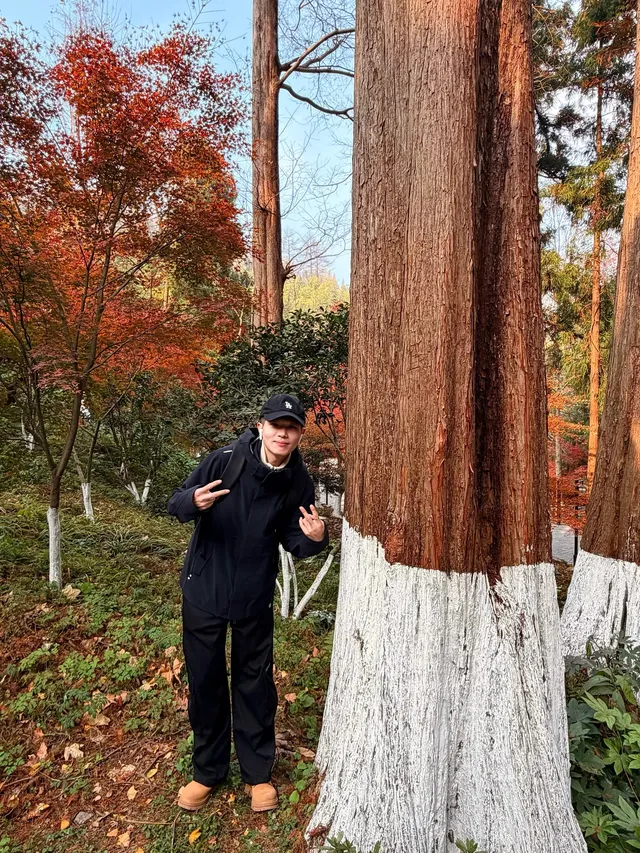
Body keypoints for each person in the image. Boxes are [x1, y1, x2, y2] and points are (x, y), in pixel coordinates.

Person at [167, 393, 329, 813]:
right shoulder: (223, 460)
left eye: (291, 428)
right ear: (260, 426)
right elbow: (176, 500)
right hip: (204, 588)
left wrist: (314, 538)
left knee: (255, 685)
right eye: (276, 425)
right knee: (205, 682)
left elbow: (294, 539)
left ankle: (257, 775)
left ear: (298, 436)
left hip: (254, 595)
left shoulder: (297, 481)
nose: (283, 433)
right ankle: (207, 771)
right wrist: (194, 501)